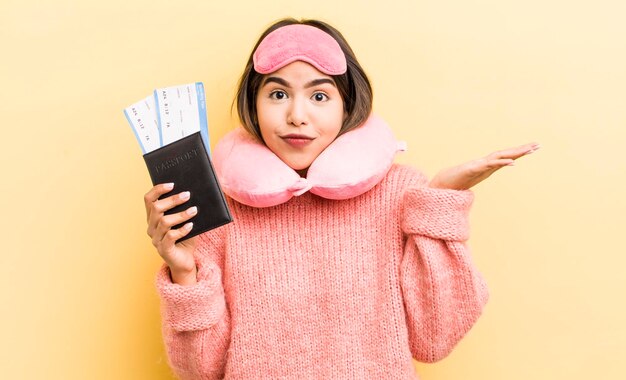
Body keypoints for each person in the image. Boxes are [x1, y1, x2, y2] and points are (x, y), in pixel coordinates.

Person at [143, 18, 538, 379]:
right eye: (278, 94)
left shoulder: (403, 194)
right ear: (254, 104)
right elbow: (201, 372)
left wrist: (439, 202)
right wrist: (184, 272)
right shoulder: (218, 210)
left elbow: (435, 338)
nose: (297, 115)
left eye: (319, 96)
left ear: (348, 104)